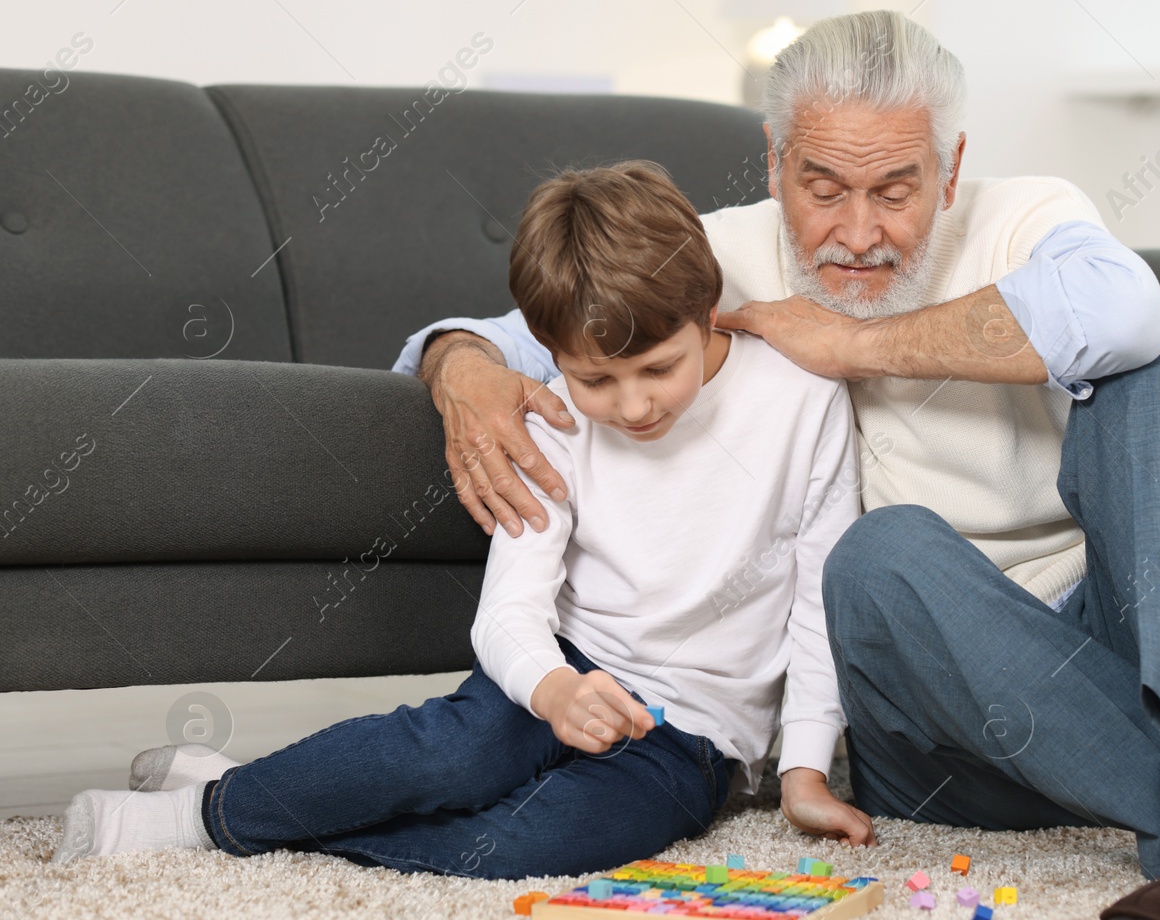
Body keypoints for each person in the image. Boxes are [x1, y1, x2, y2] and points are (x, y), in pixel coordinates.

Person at [393, 10, 1160, 920]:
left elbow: (1127, 312)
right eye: (820, 187)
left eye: (895, 191)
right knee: (879, 552)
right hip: (935, 720)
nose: (856, 233)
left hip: (1127, 641)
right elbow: (521, 330)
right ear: (774, 165)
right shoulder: (715, 256)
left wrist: (851, 340)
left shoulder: (1027, 215)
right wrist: (462, 368)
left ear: (952, 172)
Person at [52, 160, 871, 877]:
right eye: (596, 380)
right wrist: (552, 688)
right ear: (549, 355)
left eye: (659, 368)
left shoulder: (802, 399)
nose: (632, 405)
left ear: (709, 313)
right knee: (453, 753)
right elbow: (509, 612)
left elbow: (815, 604)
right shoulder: (550, 414)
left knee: (527, 844)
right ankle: (204, 815)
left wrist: (802, 768)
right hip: (557, 664)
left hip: (691, 735)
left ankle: (250, 796)